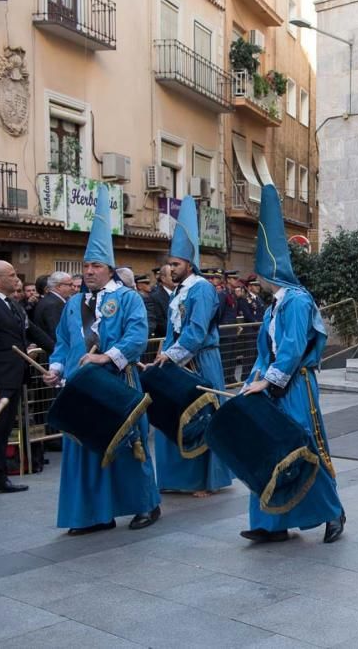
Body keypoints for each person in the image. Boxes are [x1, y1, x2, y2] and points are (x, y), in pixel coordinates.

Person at [42, 186, 162, 533]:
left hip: (117, 382)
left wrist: (104, 358)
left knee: (129, 446)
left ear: (109, 268)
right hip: (80, 388)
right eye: (85, 266)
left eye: (95, 265)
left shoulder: (128, 299)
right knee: (83, 449)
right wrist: (56, 368)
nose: (89, 271)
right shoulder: (73, 305)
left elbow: (137, 338)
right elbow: (64, 344)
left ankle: (145, 505)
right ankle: (94, 514)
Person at [239, 185, 346, 544]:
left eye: (260, 270)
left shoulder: (296, 302)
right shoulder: (273, 306)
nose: (257, 277)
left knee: (305, 448)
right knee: (271, 450)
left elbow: (291, 349)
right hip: (273, 388)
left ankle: (334, 512)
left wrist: (267, 382)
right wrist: (253, 381)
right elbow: (265, 352)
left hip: (296, 386)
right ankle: (271, 524)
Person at [151, 195, 233, 497]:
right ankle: (176, 478)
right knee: (173, 416)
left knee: (202, 417)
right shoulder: (178, 292)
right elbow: (174, 330)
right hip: (177, 360)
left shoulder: (202, 290)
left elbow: (196, 332)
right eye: (169, 264)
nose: (170, 269)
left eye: (176, 263)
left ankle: (204, 480)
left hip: (201, 362)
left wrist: (171, 357)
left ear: (190, 263)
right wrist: (165, 355)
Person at [0, 261, 54, 494]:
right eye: (11, 275)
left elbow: (33, 332)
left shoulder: (13, 304)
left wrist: (62, 352)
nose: (17, 279)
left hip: (15, 376)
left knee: (4, 428)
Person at [33, 271, 74, 345]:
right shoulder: (53, 304)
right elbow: (56, 332)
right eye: (70, 285)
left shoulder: (50, 300)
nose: (73, 288)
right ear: (59, 286)